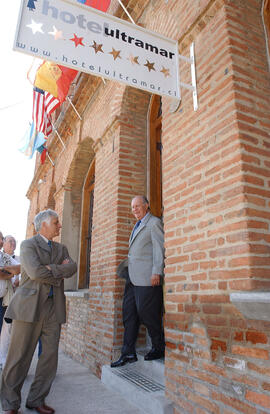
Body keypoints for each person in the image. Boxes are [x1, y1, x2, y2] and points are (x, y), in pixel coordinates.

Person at [0, 209, 77, 414]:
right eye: (56, 222)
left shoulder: (62, 248)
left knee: (49, 357)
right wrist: (57, 270)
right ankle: (10, 403)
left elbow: (73, 268)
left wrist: (51, 269)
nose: (59, 225)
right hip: (28, 307)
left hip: (54, 307)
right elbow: (34, 272)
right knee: (19, 357)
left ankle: (37, 400)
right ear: (43, 225)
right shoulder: (28, 245)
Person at [111, 195, 165, 368]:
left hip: (147, 278)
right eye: (132, 207)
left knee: (147, 313)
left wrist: (156, 271)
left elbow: (159, 248)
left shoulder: (153, 223)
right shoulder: (137, 224)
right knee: (129, 314)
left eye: (137, 206)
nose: (134, 209)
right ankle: (128, 353)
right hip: (132, 278)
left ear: (146, 205)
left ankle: (158, 346)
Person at [0, 236, 20, 368]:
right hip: (4, 296)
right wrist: (12, 274)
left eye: (14, 241)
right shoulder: (2, 258)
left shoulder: (19, 259)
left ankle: (4, 357)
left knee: (9, 329)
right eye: (9, 241)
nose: (12, 243)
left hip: (15, 297)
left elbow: (23, 272)